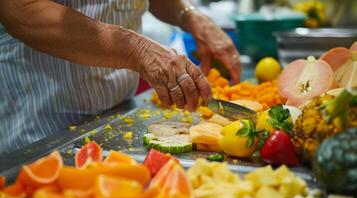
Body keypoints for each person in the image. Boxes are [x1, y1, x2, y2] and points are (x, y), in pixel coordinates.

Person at [0, 0, 241, 155]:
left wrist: (189, 15)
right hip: (39, 120)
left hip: (114, 113)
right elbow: (21, 10)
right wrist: (137, 50)